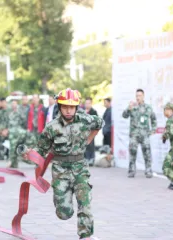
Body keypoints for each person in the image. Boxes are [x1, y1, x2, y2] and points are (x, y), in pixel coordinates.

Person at [23, 88, 103, 240]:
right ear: (59, 107)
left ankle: (85, 235)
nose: (68, 110)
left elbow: (99, 123)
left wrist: (89, 139)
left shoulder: (85, 120)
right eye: (65, 106)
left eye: (71, 107)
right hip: (60, 171)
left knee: (84, 203)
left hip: (80, 169)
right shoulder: (52, 127)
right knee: (63, 213)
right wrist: (29, 154)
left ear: (76, 107)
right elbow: (41, 149)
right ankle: (65, 208)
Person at [122, 89, 157, 178]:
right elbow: (124, 116)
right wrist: (128, 109)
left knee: (147, 152)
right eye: (137, 96)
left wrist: (153, 129)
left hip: (145, 135)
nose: (138, 97)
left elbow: (153, 119)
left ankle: (148, 171)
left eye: (140, 95)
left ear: (143, 96)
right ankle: (131, 171)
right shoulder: (132, 106)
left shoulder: (148, 107)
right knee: (132, 152)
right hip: (134, 134)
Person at [3, 100, 35, 168]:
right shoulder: (9, 113)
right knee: (16, 150)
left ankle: (38, 163)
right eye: (12, 104)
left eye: (15, 104)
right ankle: (14, 165)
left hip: (29, 138)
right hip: (21, 136)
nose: (3, 135)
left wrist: (9, 161)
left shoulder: (12, 133)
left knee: (23, 154)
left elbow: (12, 149)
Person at [84, 97, 98, 166]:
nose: (87, 104)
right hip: (83, 132)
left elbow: (97, 122)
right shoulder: (82, 112)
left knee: (91, 145)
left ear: (91, 104)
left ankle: (91, 159)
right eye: (86, 103)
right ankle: (86, 158)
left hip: (91, 131)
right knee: (84, 145)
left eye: (89, 103)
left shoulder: (94, 112)